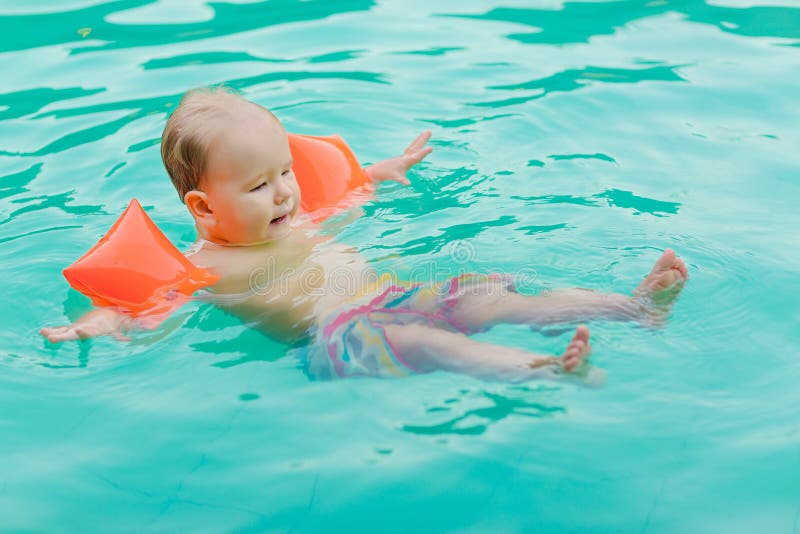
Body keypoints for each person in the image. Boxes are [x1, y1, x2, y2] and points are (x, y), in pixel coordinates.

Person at [41, 88, 688, 383]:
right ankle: (542, 369)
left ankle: (630, 308)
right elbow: (150, 307)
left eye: (286, 171)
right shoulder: (204, 266)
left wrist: (379, 172)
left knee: (484, 296)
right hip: (338, 338)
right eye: (261, 185)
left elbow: (348, 197)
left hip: (392, 293)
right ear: (205, 208)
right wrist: (97, 324)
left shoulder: (292, 217)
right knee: (425, 342)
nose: (287, 192)